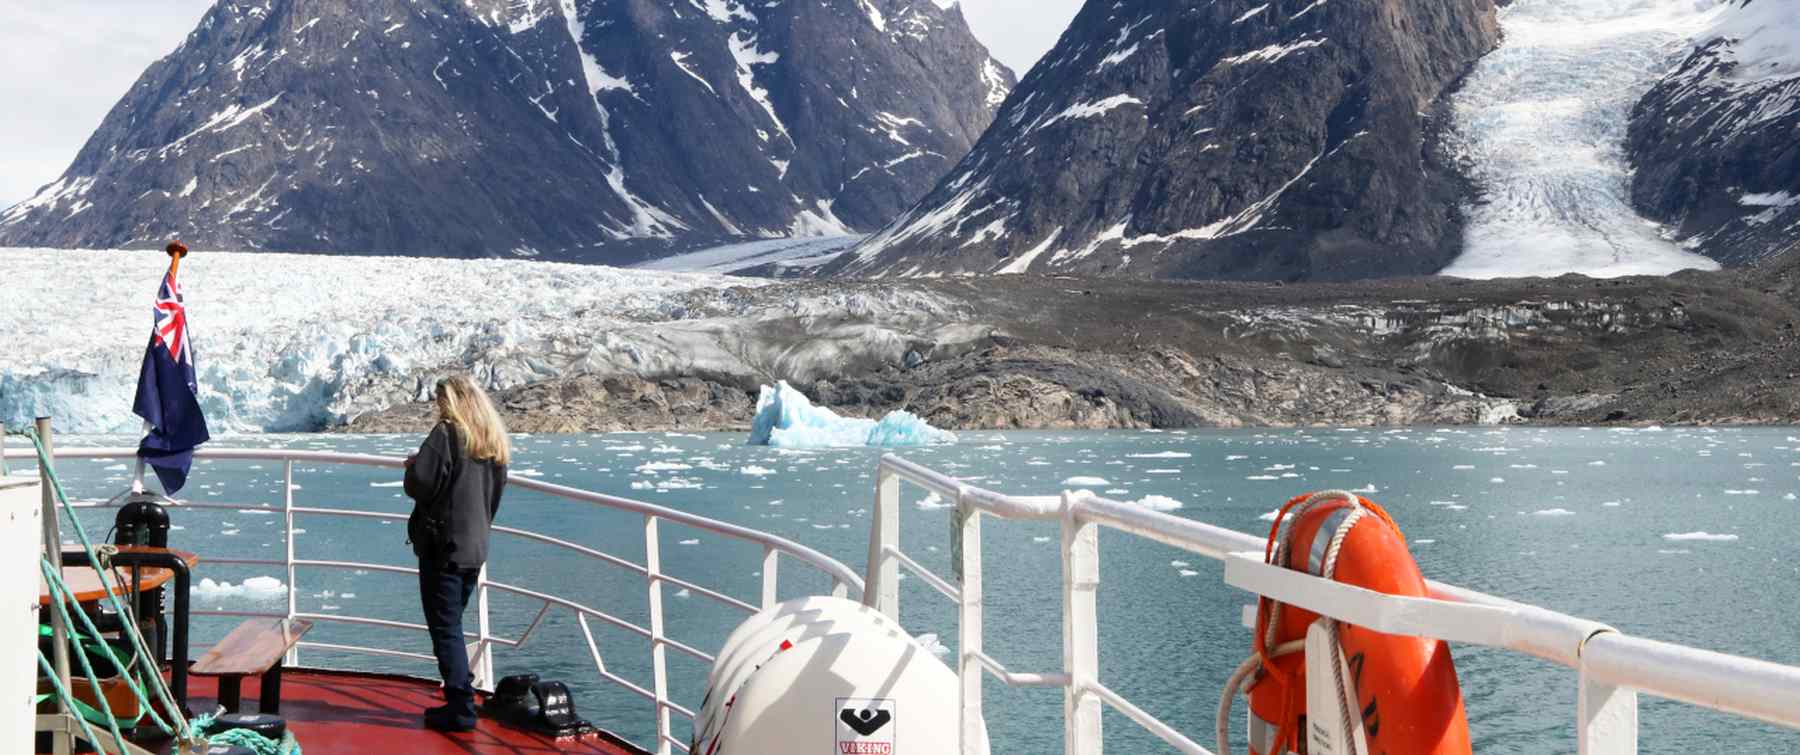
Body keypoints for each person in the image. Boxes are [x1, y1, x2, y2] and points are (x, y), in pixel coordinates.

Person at [404, 375, 511, 731]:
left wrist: (413, 464)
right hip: (474, 546)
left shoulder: (448, 433)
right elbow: (491, 499)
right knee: (452, 623)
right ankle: (460, 696)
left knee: (445, 628)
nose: (439, 408)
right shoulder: (491, 441)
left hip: (444, 547)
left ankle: (461, 707)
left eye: (441, 401)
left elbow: (420, 483)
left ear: (451, 402)